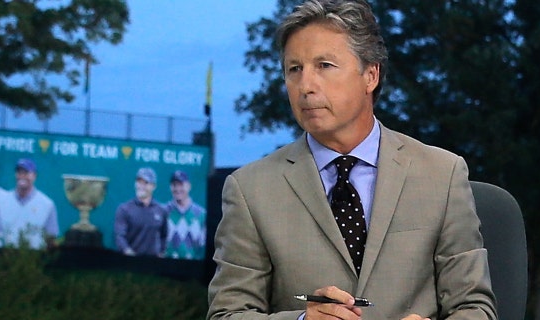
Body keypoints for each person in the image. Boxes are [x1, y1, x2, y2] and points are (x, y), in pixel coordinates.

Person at [207, 1, 497, 319]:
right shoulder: (250, 190)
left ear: (370, 75)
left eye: (324, 66)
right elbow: (227, 313)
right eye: (294, 69)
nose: (305, 86)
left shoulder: (441, 175)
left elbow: (475, 308)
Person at [0, 158, 59, 250]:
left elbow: (51, 240)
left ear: (34, 176)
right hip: (7, 256)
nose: (22, 176)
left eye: (26, 173)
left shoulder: (47, 204)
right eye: (19, 172)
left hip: (35, 258)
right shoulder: (2, 201)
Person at [113, 167, 168, 257]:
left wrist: (161, 253)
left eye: (146, 183)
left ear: (153, 186)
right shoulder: (124, 209)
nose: (141, 186)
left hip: (153, 265)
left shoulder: (161, 210)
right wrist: (128, 253)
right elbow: (119, 237)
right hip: (130, 264)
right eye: (139, 182)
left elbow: (164, 236)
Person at [164, 170, 207, 260]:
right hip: (165, 269)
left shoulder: (201, 215)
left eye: (181, 185)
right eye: (174, 185)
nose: (177, 189)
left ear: (189, 186)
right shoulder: (163, 212)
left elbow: (203, 247)